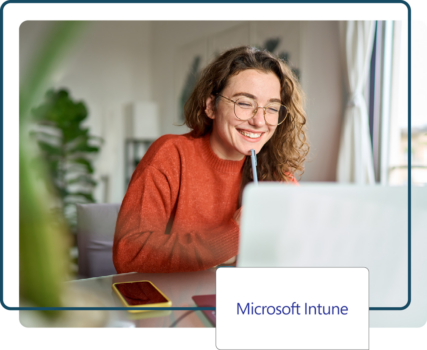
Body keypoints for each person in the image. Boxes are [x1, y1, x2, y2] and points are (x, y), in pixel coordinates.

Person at [113, 46, 309, 273]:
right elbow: (129, 253)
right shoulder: (170, 155)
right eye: (244, 103)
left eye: (272, 108)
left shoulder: (275, 172)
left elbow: (299, 252)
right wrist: (233, 236)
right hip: (176, 305)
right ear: (210, 106)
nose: (259, 121)